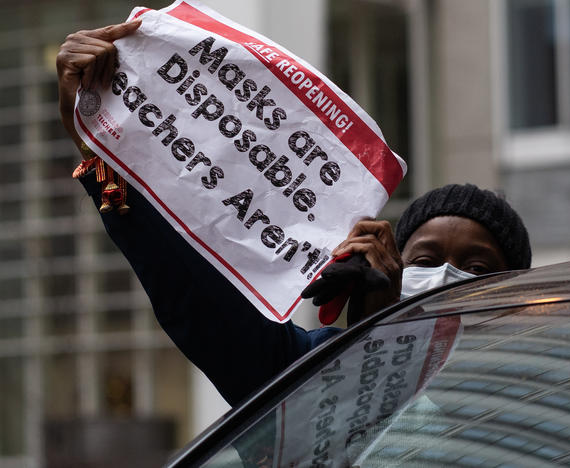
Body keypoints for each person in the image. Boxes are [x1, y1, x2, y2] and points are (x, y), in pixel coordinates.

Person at [57, 22, 531, 407]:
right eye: (424, 262)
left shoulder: (550, 388)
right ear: (390, 268)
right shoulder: (307, 369)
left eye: (477, 269)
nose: (447, 277)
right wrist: (102, 135)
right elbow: (189, 293)